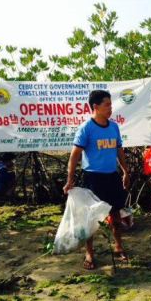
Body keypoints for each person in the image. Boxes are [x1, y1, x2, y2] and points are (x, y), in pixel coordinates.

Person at [63, 90, 130, 270]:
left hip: (112, 177)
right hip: (93, 178)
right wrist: (70, 180)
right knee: (90, 218)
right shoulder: (86, 128)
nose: (110, 108)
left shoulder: (114, 127)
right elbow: (74, 156)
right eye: (107, 105)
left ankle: (118, 246)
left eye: (110, 104)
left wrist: (125, 171)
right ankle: (90, 253)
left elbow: (119, 151)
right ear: (96, 107)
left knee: (115, 215)